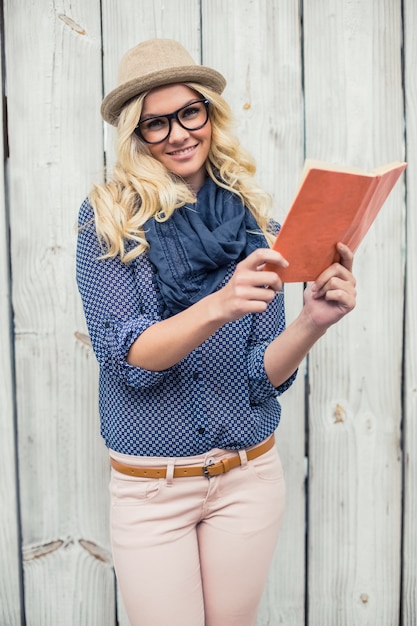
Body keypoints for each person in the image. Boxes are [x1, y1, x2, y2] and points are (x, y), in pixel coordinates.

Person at [76, 38, 356, 626]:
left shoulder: (257, 221)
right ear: (136, 133)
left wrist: (312, 321)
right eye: (156, 123)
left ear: (209, 114)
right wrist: (219, 305)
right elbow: (126, 354)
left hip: (249, 478)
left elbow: (260, 377)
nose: (178, 133)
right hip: (153, 490)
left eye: (189, 113)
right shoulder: (110, 216)